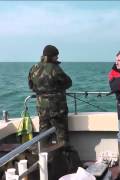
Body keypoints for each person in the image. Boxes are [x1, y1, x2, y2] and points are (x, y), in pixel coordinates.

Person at [28, 45, 80, 179]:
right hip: (58, 108)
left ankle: (45, 167)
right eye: (56, 55)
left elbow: (31, 86)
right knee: (62, 138)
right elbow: (68, 83)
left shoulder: (34, 68)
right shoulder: (55, 68)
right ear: (52, 56)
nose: (58, 58)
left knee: (43, 138)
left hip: (42, 109)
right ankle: (66, 169)